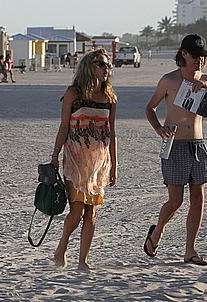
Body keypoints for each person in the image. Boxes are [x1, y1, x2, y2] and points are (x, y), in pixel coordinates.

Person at [144, 34, 207, 265]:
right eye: (194, 56)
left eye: (202, 56)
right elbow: (150, 108)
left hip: (198, 144)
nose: (199, 61)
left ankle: (190, 250)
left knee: (198, 199)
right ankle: (157, 231)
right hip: (176, 144)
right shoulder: (169, 80)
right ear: (183, 54)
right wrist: (159, 128)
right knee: (175, 201)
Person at [51, 48, 118, 271]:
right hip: (74, 158)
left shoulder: (109, 98)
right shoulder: (73, 94)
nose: (106, 69)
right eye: (101, 64)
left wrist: (114, 165)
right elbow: (63, 125)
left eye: (108, 65)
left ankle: (83, 260)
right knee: (77, 210)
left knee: (92, 213)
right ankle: (62, 247)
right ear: (89, 66)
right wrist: (54, 156)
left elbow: (112, 132)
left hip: (99, 163)